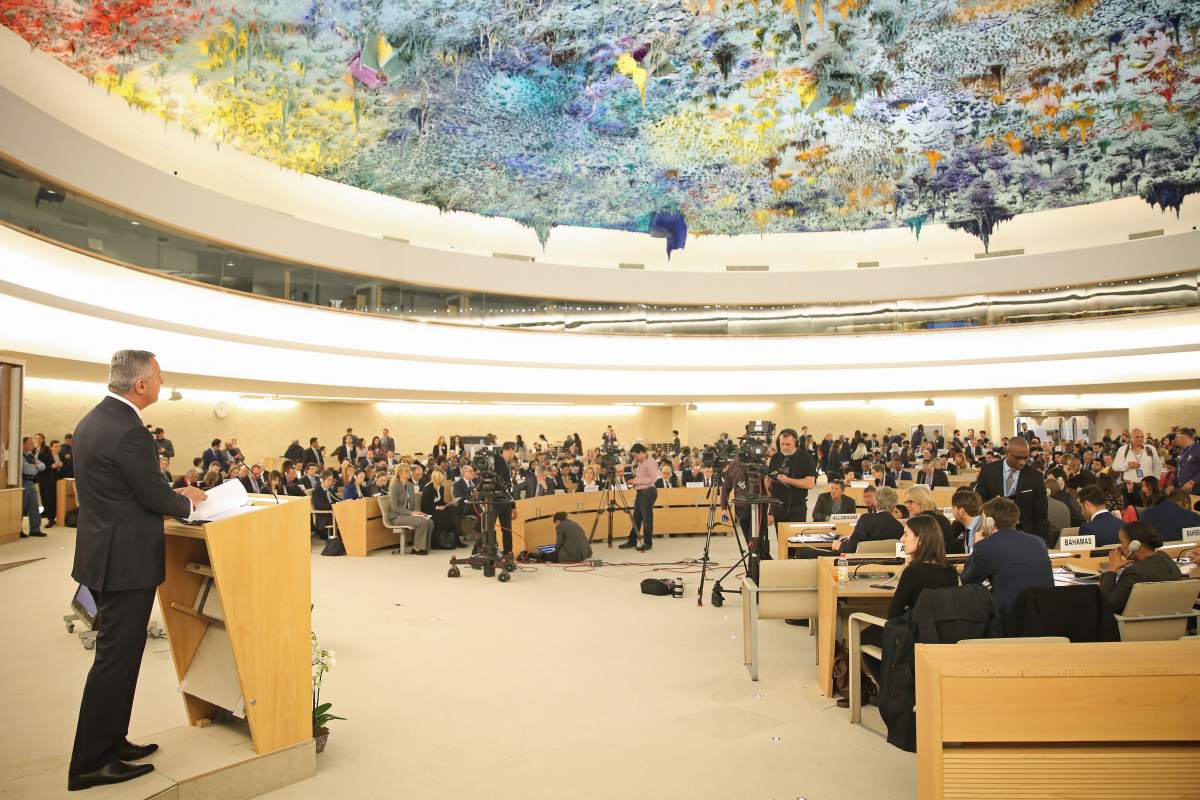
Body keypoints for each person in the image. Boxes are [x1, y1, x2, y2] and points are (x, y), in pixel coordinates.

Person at [68, 350, 207, 791]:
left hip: (104, 554)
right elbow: (152, 496)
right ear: (141, 384)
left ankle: (112, 742)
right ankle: (91, 762)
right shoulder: (130, 431)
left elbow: (123, 488)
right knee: (116, 660)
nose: (162, 383)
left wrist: (172, 493)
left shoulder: (93, 421)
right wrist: (188, 501)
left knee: (119, 657)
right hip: (125, 560)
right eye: (159, 376)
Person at [960, 497, 1052, 614]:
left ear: (990, 522)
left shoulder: (985, 546)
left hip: (1010, 618)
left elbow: (966, 580)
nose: (982, 526)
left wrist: (975, 546)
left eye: (983, 521)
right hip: (1044, 613)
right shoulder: (1038, 541)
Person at [973, 436, 1050, 546]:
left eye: (1025, 458)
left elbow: (1041, 513)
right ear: (1007, 453)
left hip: (1025, 535)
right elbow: (979, 500)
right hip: (992, 532)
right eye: (1018, 458)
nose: (1022, 462)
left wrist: (1042, 543)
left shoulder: (1035, 477)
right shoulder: (988, 471)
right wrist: (994, 506)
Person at [1098, 521, 1184, 613]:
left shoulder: (1134, 572)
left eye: (1122, 542)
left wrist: (1112, 569)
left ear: (1134, 545)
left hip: (1136, 621)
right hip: (1170, 619)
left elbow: (1107, 605)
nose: (1120, 547)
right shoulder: (1164, 557)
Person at [766, 428, 819, 526]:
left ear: (796, 443)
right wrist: (771, 510)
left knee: (796, 536)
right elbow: (770, 485)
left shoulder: (806, 458)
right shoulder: (775, 457)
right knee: (780, 536)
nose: (784, 447)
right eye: (782, 444)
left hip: (797, 509)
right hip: (778, 508)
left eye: (788, 444)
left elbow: (810, 483)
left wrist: (788, 480)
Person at [833, 486, 903, 554]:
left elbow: (851, 549)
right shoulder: (899, 527)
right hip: (890, 561)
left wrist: (840, 546)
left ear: (876, 502)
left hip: (862, 561)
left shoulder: (865, 520)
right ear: (894, 506)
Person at [385, 464, 433, 555]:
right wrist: (411, 513)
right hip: (397, 517)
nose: (409, 473)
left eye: (409, 471)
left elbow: (413, 504)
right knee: (422, 521)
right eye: (406, 471)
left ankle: (424, 547)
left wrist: (418, 513)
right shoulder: (394, 486)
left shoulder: (410, 485)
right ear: (399, 473)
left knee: (429, 521)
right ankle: (417, 548)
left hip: (408, 514)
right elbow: (394, 507)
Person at [620, 443, 658, 551]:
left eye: (636, 455)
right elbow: (642, 477)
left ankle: (648, 543)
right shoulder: (642, 462)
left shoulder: (650, 462)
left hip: (648, 492)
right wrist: (634, 480)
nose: (635, 458)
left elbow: (653, 479)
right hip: (641, 492)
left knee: (647, 519)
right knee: (636, 518)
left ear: (642, 452)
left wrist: (636, 481)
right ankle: (632, 541)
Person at [904, 485, 959, 554]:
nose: (907, 506)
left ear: (922, 500)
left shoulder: (923, 522)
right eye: (906, 502)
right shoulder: (941, 518)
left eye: (910, 502)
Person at [1113, 428, 1162, 503]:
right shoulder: (1122, 450)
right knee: (1131, 508)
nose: (1140, 439)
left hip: (1148, 487)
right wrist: (1128, 465)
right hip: (1130, 487)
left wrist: (1154, 481)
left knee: (1148, 508)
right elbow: (1115, 467)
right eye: (1137, 437)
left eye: (1142, 437)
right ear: (1130, 438)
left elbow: (1157, 465)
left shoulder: (1150, 449)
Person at [421, 469, 461, 549]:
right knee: (446, 516)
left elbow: (443, 501)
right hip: (430, 510)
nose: (443, 479)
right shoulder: (429, 488)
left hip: (440, 508)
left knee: (453, 511)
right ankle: (439, 542)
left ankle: (455, 540)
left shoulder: (442, 487)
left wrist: (451, 502)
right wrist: (437, 507)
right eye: (442, 478)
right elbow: (425, 504)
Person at [20, 436, 46, 537]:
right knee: (21, 507)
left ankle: (35, 529)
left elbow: (43, 466)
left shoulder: (30, 455)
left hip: (31, 482)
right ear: (23, 444)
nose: (33, 445)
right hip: (24, 482)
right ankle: (18, 529)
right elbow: (26, 469)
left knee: (34, 506)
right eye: (30, 443)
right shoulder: (21, 455)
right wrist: (36, 467)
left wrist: (36, 467)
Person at [949, 488, 984, 554]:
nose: (952, 510)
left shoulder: (982, 528)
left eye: (953, 507)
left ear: (961, 511)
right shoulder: (969, 528)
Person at [309, 470, 340, 539]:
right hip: (325, 517)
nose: (331, 482)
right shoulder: (316, 492)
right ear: (322, 480)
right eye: (329, 480)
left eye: (331, 480)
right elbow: (320, 506)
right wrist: (333, 505)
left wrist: (344, 502)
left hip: (333, 514)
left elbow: (337, 499)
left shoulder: (330, 490)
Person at [1175, 428, 1198, 494]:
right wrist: (1173, 484)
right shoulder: (1182, 451)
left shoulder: (1198, 449)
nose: (1175, 439)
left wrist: (1192, 482)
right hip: (1182, 489)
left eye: (1177, 437)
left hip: (1195, 490)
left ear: (1185, 436)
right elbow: (1179, 469)